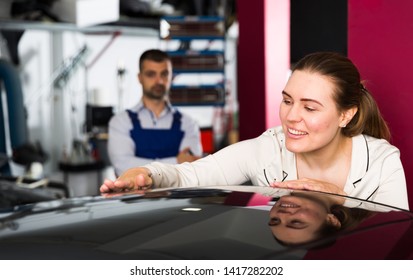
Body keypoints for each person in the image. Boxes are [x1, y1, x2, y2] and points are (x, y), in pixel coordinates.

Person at [101, 52, 409, 210]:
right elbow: (192, 175)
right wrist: (146, 175)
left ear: (346, 114)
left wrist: (340, 197)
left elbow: (398, 241)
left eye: (310, 107)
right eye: (287, 101)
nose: (291, 117)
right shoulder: (267, 149)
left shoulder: (382, 162)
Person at [107, 49, 203, 176]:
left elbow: (190, 169)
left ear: (171, 76)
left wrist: (139, 166)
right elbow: (123, 168)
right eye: (151, 74)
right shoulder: (120, 122)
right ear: (140, 78)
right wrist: (176, 161)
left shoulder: (188, 124)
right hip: (135, 196)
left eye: (164, 74)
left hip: (178, 196)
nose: (159, 81)